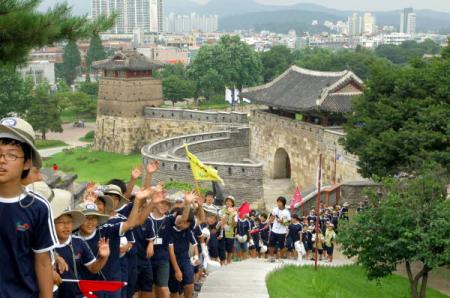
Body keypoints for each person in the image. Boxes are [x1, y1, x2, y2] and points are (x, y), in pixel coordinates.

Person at [0, 117, 58, 298]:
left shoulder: (37, 207)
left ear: (26, 163)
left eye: (12, 154)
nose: (2, 160)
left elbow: (42, 261)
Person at [53, 190, 110, 298]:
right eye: (61, 222)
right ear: (52, 224)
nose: (66, 226)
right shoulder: (45, 244)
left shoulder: (78, 242)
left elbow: (94, 268)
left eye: (69, 222)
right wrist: (55, 257)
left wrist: (103, 257)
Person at [168, 193, 200, 298]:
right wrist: (177, 270)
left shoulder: (188, 231)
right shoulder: (170, 230)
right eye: (183, 221)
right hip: (172, 261)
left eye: (187, 223)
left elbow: (195, 244)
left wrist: (196, 256)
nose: (184, 224)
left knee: (189, 282)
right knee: (174, 290)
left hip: (185, 259)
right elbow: (171, 251)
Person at [268, 196, 291, 262]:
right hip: (274, 230)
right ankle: (271, 258)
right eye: (277, 202)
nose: (278, 203)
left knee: (281, 246)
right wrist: (267, 225)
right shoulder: (275, 209)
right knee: (271, 245)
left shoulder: (286, 212)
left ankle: (280, 258)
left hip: (282, 232)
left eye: (280, 202)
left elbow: (287, 224)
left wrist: (282, 221)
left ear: (283, 203)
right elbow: (272, 218)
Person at [219, 196, 237, 264]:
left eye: (230, 201)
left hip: (230, 233)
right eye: (227, 201)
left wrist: (233, 218)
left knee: (229, 250)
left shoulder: (235, 212)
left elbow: (235, 225)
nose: (228, 202)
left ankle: (229, 263)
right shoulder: (222, 210)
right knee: (223, 249)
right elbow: (220, 220)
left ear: (232, 203)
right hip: (221, 232)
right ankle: (223, 263)